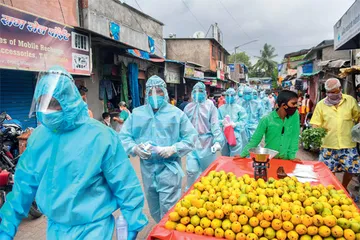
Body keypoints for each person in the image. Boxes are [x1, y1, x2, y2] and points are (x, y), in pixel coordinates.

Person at [0, 66, 148, 240]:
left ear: (69, 100)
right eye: (43, 103)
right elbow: (24, 184)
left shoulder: (101, 136)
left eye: (54, 103)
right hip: (55, 228)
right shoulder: (39, 137)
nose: (47, 110)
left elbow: (124, 181)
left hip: (93, 229)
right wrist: (7, 224)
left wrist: (133, 217)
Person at [119, 75, 197, 223]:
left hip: (169, 169)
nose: (155, 95)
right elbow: (123, 137)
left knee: (169, 212)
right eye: (151, 92)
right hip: (147, 170)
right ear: (146, 94)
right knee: (154, 208)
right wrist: (134, 148)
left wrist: (173, 149)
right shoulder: (137, 114)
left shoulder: (176, 114)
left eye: (159, 91)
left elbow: (191, 138)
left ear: (165, 93)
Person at [310, 78, 360, 189]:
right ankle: (332, 189)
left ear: (340, 89)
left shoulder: (350, 101)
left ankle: (343, 187)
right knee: (328, 170)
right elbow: (315, 123)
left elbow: (358, 117)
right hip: (328, 144)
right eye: (329, 92)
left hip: (348, 143)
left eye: (335, 92)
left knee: (351, 169)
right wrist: (315, 133)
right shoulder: (321, 105)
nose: (332, 95)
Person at [183, 82, 224, 190]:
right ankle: (191, 193)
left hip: (207, 143)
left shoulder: (210, 106)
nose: (198, 93)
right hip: (192, 143)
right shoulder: (188, 108)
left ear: (205, 93)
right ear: (192, 93)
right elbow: (183, 127)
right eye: (195, 91)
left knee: (209, 172)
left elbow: (214, 124)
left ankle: (209, 194)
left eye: (200, 91)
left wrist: (217, 141)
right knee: (191, 171)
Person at [241, 90, 300, 160]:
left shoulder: (295, 115)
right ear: (284, 105)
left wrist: (292, 156)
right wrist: (243, 155)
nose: (296, 106)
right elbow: (255, 139)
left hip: (286, 159)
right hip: (270, 158)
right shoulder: (266, 119)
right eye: (293, 104)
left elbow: (295, 136)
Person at [218, 88, 248, 156]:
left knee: (235, 157)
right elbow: (215, 120)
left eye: (232, 95)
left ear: (235, 96)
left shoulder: (240, 109)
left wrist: (235, 124)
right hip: (224, 135)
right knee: (225, 157)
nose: (229, 97)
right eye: (227, 95)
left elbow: (244, 121)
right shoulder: (221, 109)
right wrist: (222, 122)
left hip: (235, 135)